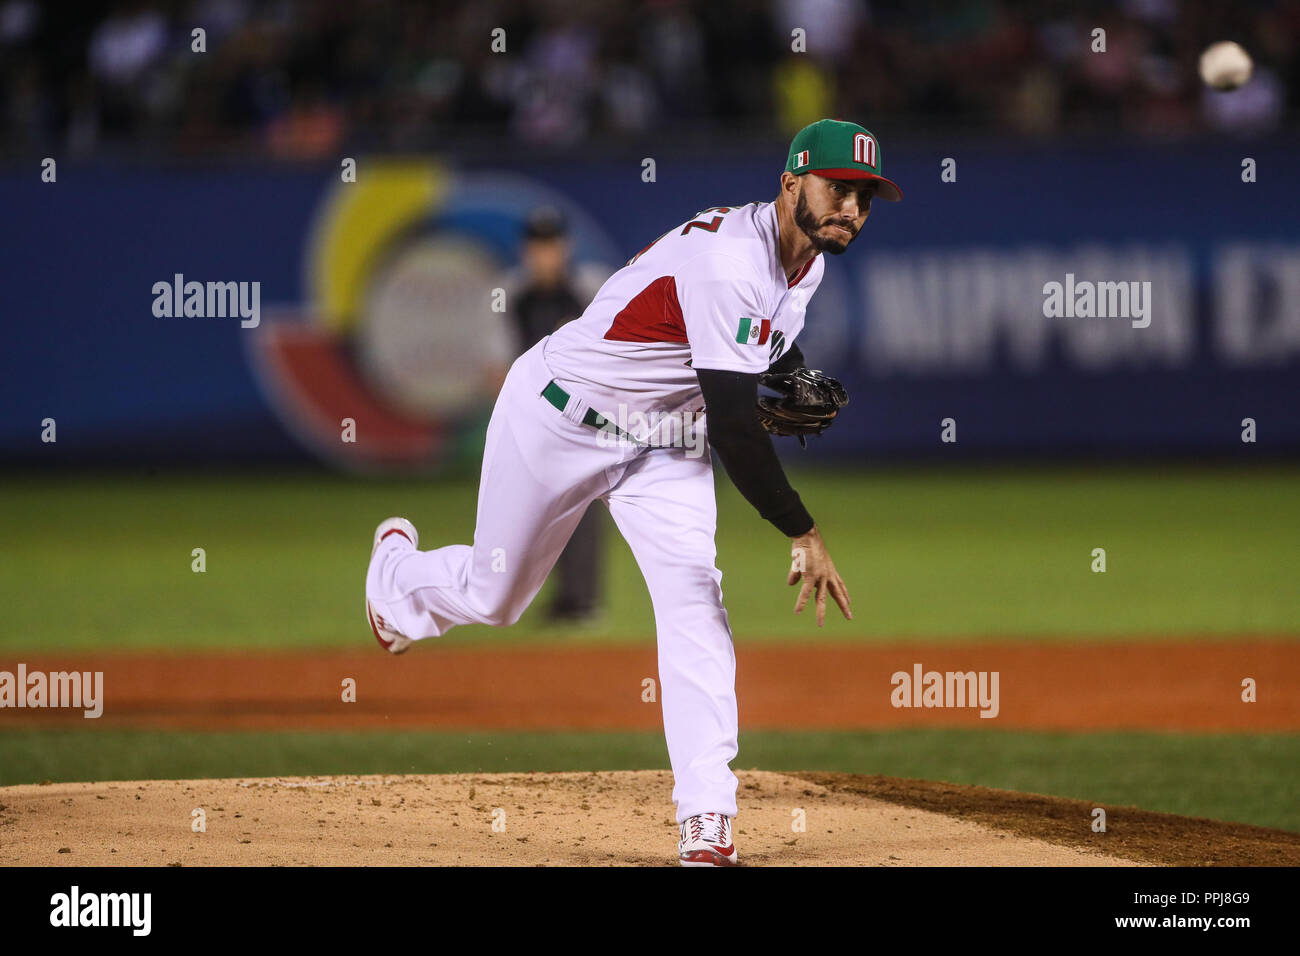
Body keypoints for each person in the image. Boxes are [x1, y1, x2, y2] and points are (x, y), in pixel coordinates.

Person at [364, 118, 902, 866]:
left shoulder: (805, 265)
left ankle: (707, 819)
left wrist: (791, 367)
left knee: (695, 601)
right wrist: (802, 530)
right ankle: (397, 580)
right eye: (838, 188)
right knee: (497, 598)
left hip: (664, 442)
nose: (852, 207)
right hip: (559, 416)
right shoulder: (730, 260)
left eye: (865, 198)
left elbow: (769, 352)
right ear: (790, 184)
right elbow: (738, 431)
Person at [509, 208, 604, 624]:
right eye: (537, 245)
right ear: (526, 250)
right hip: (532, 417)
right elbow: (497, 365)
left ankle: (582, 600)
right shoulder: (514, 296)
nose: (545, 253)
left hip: (584, 419)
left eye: (551, 243)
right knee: (531, 514)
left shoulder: (589, 291)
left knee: (582, 509)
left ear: (565, 247)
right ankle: (551, 597)